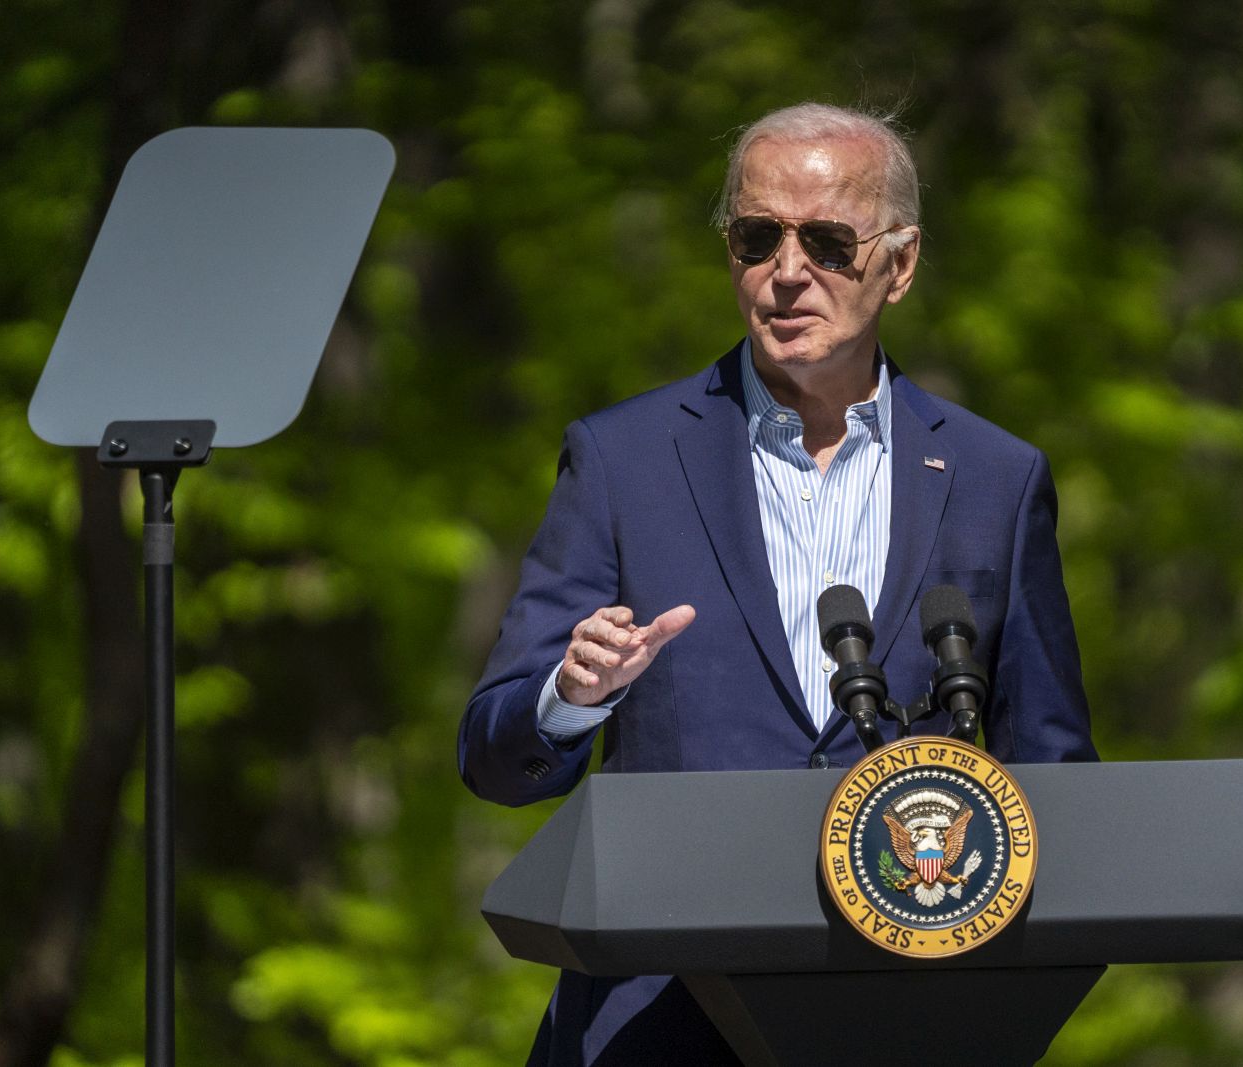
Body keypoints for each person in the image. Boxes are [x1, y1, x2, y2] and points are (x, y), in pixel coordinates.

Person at [459, 102, 1097, 1067]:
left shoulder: (995, 480)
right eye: (758, 237)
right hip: (656, 1022)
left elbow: (1056, 781)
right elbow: (493, 754)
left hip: (910, 1017)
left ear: (902, 263)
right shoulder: (622, 460)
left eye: (830, 242)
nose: (787, 271)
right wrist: (569, 699)